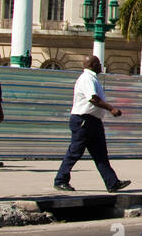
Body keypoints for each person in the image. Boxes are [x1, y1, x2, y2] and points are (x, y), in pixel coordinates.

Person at [54, 55, 131, 192]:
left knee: (100, 154)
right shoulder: (87, 79)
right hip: (84, 120)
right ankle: (60, 180)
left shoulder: (92, 79)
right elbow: (93, 99)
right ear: (93, 65)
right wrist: (111, 109)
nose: (101, 65)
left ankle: (112, 182)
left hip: (93, 121)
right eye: (98, 63)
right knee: (75, 152)